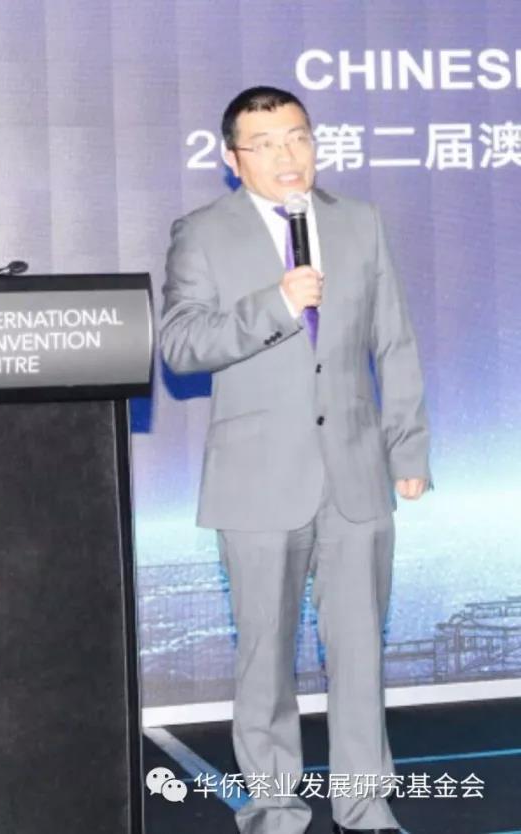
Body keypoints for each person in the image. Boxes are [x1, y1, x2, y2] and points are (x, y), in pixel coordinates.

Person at [159, 86, 431, 834]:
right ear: (232, 157)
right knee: (265, 659)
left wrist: (407, 447)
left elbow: (394, 342)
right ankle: (275, 809)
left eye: (299, 137)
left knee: (360, 654)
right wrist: (276, 304)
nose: (288, 155)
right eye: (267, 143)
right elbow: (180, 344)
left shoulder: (359, 223)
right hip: (256, 479)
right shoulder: (202, 233)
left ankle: (365, 806)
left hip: (356, 473)